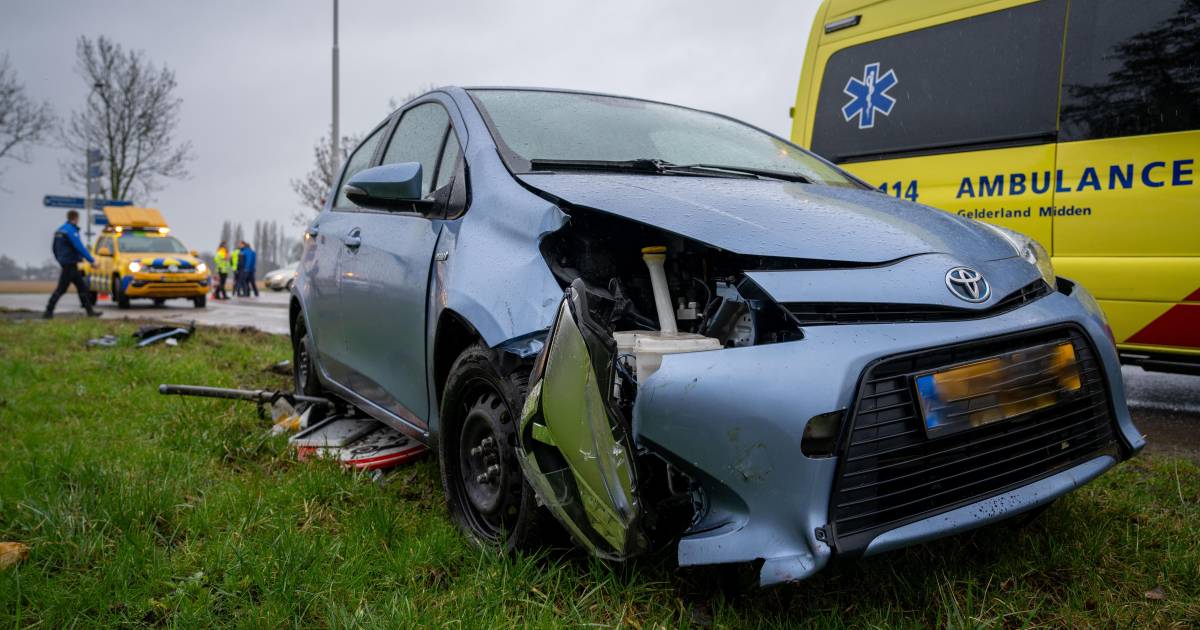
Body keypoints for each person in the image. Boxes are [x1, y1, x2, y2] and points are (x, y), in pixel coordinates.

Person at [44, 210, 100, 319]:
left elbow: (54, 248)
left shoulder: (60, 230)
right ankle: (48, 311)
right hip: (70, 264)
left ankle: (90, 312)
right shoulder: (70, 231)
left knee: (82, 287)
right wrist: (91, 260)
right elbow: (79, 247)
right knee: (62, 289)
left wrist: (59, 260)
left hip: (68, 264)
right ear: (75, 218)